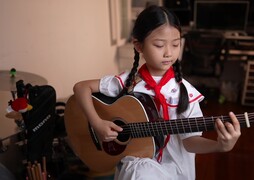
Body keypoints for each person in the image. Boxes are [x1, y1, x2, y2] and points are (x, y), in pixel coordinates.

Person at [73, 5, 241, 180]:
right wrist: (97, 123)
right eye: (159, 45)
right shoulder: (128, 81)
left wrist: (220, 146)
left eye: (176, 44)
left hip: (175, 170)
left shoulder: (186, 93)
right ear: (139, 46)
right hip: (136, 167)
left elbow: (190, 142)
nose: (169, 52)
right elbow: (81, 88)